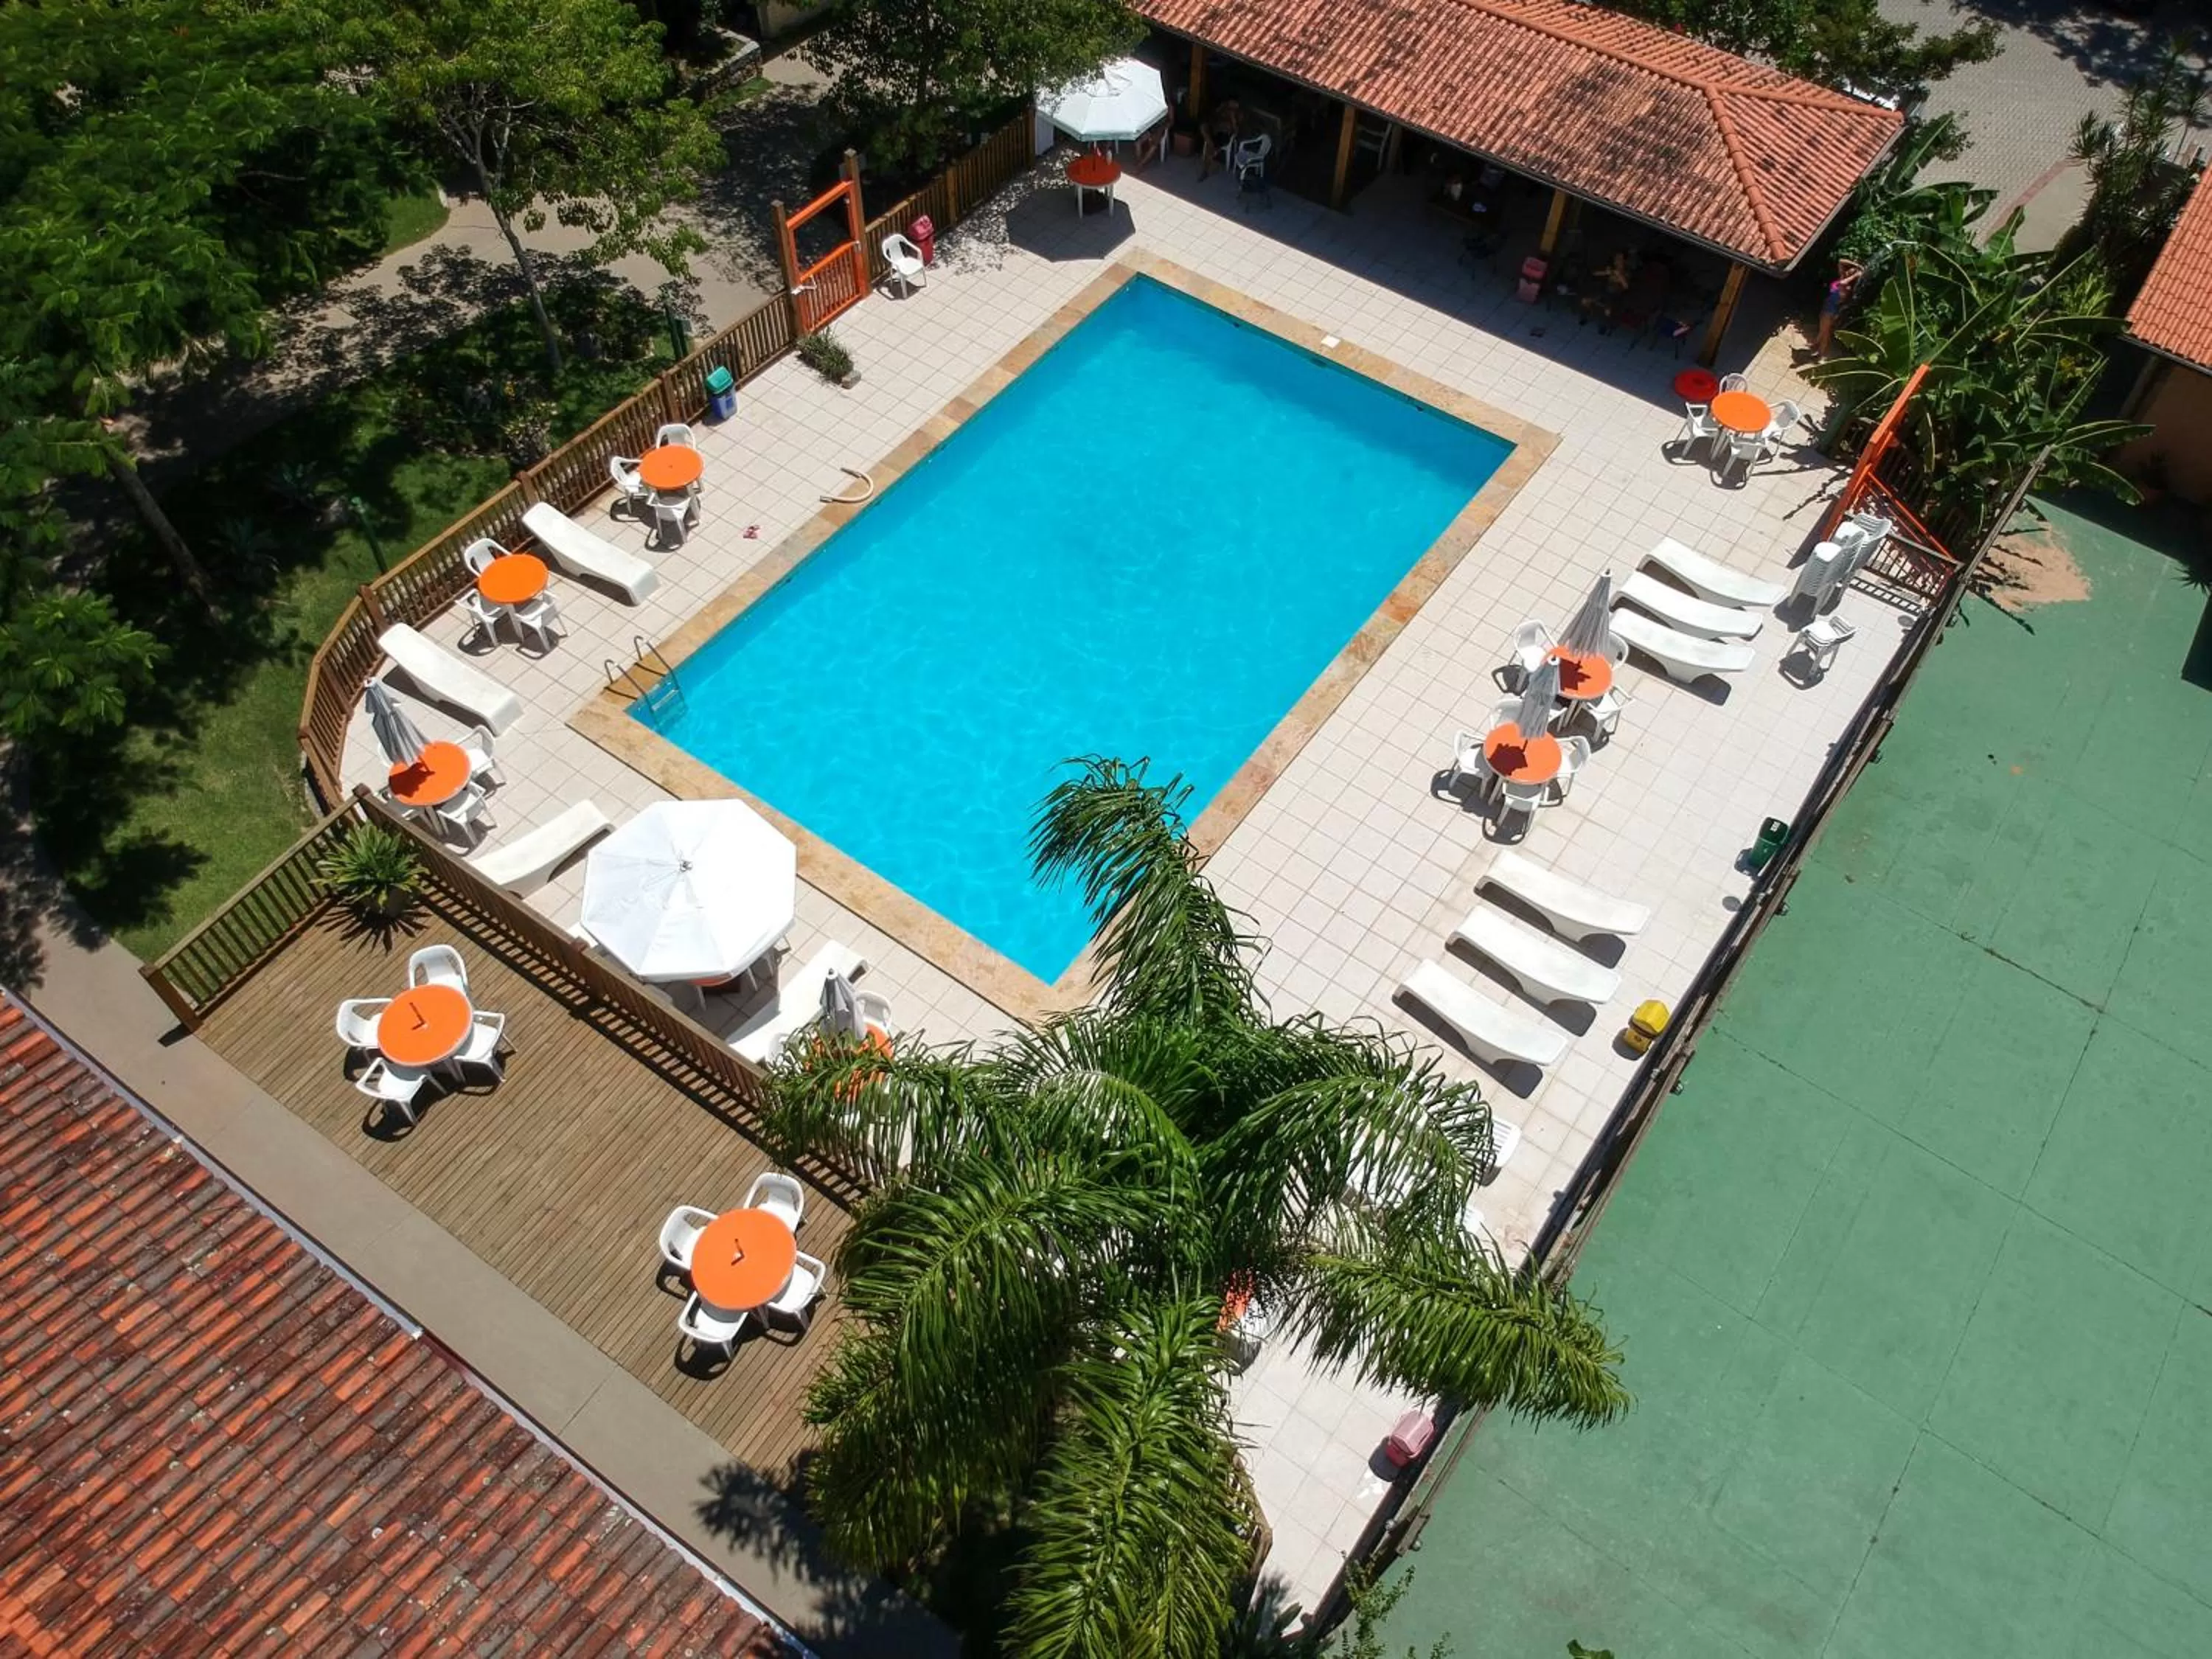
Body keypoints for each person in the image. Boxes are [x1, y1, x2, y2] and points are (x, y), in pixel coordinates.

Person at [1817, 260, 1863, 359]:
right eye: (1848, 270)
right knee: (1822, 330)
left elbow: (1842, 283)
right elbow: (1840, 261)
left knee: (1825, 333)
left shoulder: (1847, 288)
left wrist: (1856, 275)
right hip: (1827, 306)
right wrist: (1857, 265)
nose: (1847, 271)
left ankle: (1821, 354)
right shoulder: (1842, 278)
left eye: (1850, 272)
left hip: (1831, 311)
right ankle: (1816, 346)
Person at [1197, 98, 1241, 180]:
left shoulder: (1237, 114)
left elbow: (1236, 132)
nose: (1231, 104)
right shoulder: (1223, 109)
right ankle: (1211, 144)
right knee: (1203, 126)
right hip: (1216, 130)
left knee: (1210, 150)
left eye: (1234, 103)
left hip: (1224, 135)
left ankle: (1206, 170)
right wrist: (1221, 109)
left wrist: (1233, 119)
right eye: (1230, 102)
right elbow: (1214, 118)